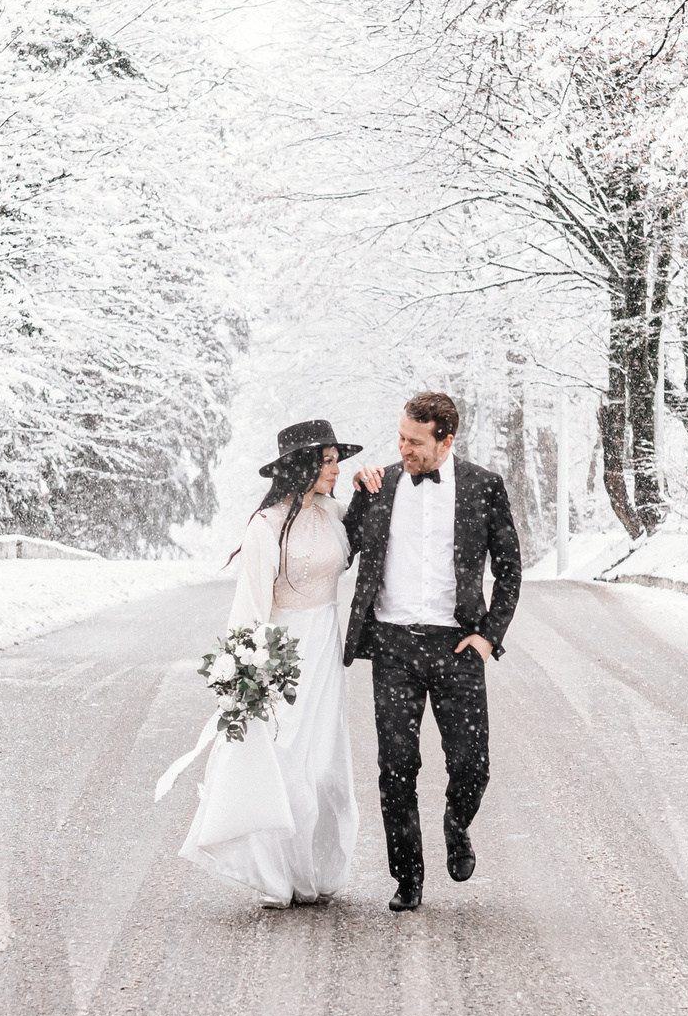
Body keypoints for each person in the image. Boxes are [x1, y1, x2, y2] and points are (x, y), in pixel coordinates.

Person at [157, 420, 363, 908]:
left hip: (325, 651)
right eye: (328, 460)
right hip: (284, 653)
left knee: (324, 765)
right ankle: (276, 874)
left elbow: (362, 541)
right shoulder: (265, 526)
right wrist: (245, 673)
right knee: (285, 759)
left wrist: (370, 488)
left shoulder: (333, 513)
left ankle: (312, 872)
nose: (336, 469)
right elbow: (249, 606)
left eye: (337, 460)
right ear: (303, 466)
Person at [343, 391, 521, 912]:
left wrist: (489, 635)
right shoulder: (381, 487)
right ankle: (408, 879)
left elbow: (510, 569)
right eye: (400, 437)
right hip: (393, 645)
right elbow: (346, 546)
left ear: (446, 440)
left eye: (415, 441)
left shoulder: (483, 487)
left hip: (457, 646)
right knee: (395, 767)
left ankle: (456, 822)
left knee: (472, 765)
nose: (404, 449)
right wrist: (357, 495)